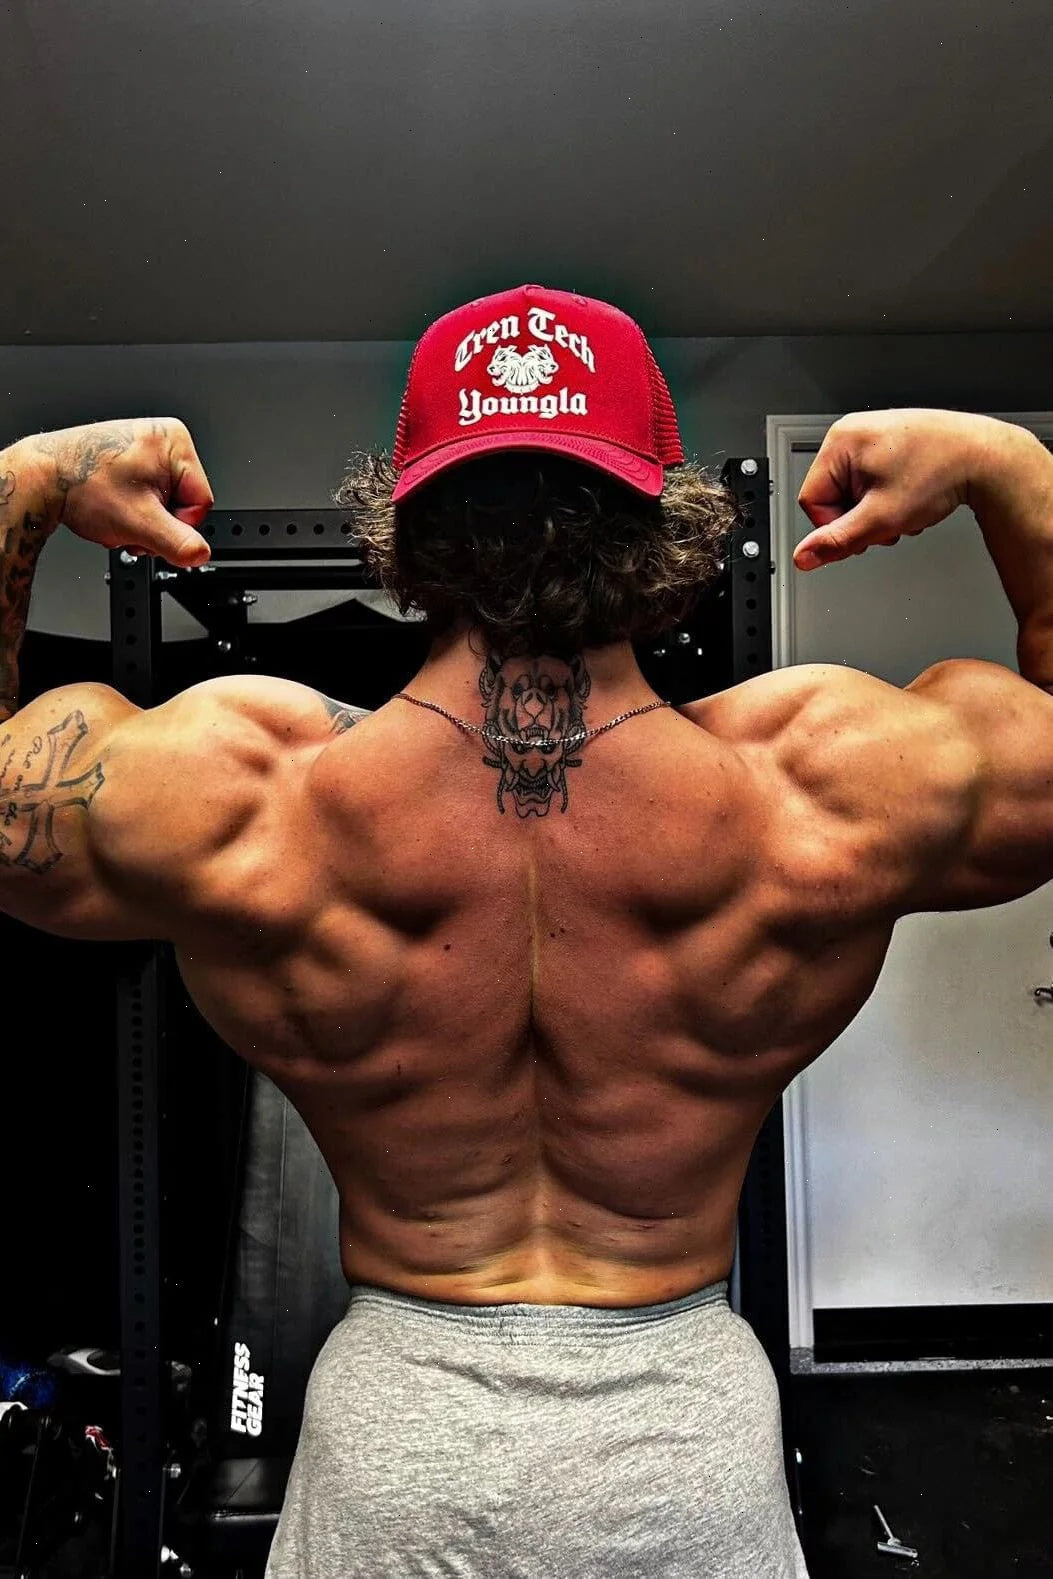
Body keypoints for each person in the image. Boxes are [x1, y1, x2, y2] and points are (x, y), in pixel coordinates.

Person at [0, 284, 1050, 1578]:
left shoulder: (245, 797)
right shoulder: (820, 786)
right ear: (664, 521)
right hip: (685, 1448)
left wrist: (29, 482)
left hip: (395, 1452)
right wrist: (1010, 472)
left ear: (404, 524)